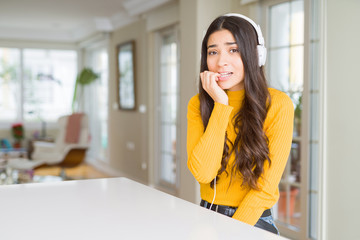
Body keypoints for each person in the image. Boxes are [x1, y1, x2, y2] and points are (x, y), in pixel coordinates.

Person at [187, 13, 294, 235]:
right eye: (213, 52)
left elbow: (265, 189)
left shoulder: (278, 104)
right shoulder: (198, 104)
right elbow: (204, 174)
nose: (220, 62)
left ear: (256, 55)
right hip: (206, 216)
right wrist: (221, 105)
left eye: (233, 50)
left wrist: (232, 233)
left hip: (253, 219)